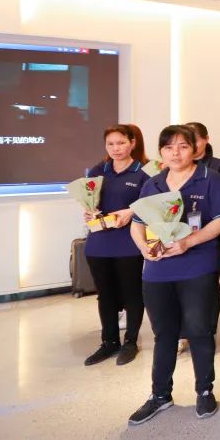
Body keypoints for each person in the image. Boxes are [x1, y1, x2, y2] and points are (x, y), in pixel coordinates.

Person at [126, 125, 220, 425]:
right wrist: (144, 248)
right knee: (164, 334)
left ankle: (204, 391)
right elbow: (137, 222)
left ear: (194, 149)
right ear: (161, 152)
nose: (176, 153)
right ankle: (160, 395)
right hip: (158, 270)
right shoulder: (153, 183)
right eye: (169, 147)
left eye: (183, 146)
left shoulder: (210, 179)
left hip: (197, 265)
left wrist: (188, 242)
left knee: (199, 330)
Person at [82, 125, 150, 367]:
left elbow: (153, 205)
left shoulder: (144, 172)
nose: (116, 148)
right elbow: (89, 201)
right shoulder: (97, 171)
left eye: (121, 143)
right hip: (99, 243)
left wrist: (132, 211)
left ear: (132, 143)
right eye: (110, 144)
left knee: (132, 293)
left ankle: (130, 341)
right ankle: (109, 341)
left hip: (129, 242)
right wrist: (88, 213)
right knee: (105, 295)